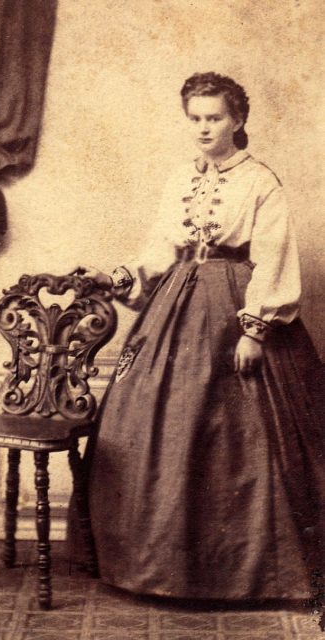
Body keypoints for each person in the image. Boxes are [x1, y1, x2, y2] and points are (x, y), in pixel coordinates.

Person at [70, 72, 325, 604]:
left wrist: (254, 329)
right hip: (176, 308)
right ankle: (156, 567)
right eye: (196, 119)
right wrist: (113, 277)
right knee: (151, 419)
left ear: (238, 121)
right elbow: (161, 249)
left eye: (215, 118)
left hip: (236, 305)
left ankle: (247, 575)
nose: (205, 129)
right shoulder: (179, 178)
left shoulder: (260, 182)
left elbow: (275, 255)